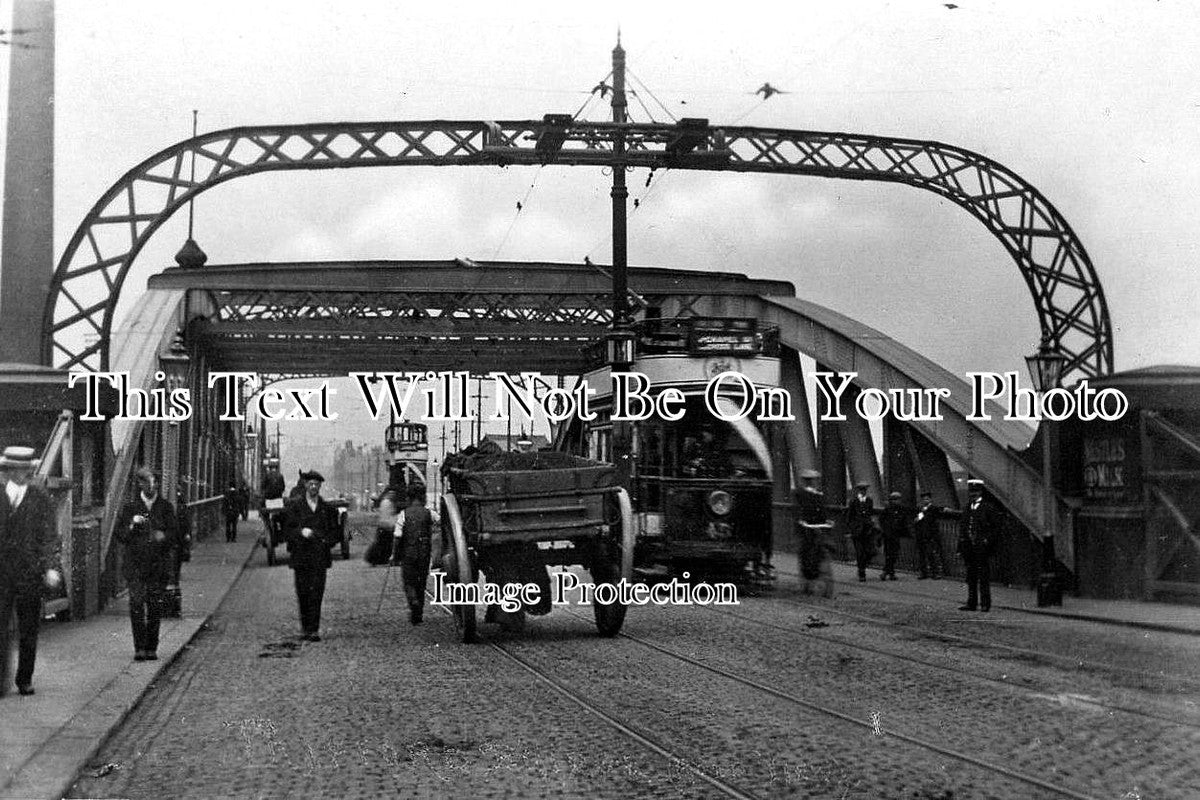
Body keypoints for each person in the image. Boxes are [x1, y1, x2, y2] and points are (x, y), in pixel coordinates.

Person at [0, 446, 61, 697]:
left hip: (30, 573)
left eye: (27, 469)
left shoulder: (40, 498)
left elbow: (49, 536)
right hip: (1, 574)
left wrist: (49, 567)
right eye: (18, 469)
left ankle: (24, 679)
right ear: (8, 471)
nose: (24, 473)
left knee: (28, 630)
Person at [114, 468, 181, 661]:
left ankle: (151, 647)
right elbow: (121, 536)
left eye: (153, 483)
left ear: (157, 485)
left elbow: (174, 535)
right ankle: (139, 647)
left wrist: (163, 536)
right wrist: (132, 524)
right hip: (135, 566)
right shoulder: (130, 508)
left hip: (157, 567)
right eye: (146, 483)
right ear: (141, 485)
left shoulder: (166, 508)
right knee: (136, 604)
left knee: (154, 605)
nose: (150, 487)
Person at [282, 469, 339, 640]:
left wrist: (325, 541)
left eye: (317, 484)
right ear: (305, 485)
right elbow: (287, 531)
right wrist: (301, 531)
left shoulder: (327, 509)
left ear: (320, 487)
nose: (313, 487)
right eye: (311, 484)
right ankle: (305, 628)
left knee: (317, 593)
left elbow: (335, 532)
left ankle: (313, 630)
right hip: (301, 558)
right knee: (303, 592)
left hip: (319, 558)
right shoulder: (295, 507)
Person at [391, 483, 440, 625]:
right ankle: (418, 615)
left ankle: (413, 602)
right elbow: (441, 521)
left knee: (408, 582)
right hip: (424, 554)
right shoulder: (429, 512)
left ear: (409, 497)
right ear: (422, 497)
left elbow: (397, 536)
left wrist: (394, 555)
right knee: (421, 583)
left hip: (408, 554)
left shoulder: (403, 514)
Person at [958, 479, 1000, 612]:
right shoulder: (967, 508)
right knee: (971, 577)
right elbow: (962, 530)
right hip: (969, 548)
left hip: (982, 548)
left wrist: (987, 541)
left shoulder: (988, 508)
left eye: (976, 491)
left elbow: (995, 528)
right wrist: (960, 548)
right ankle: (972, 603)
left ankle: (985, 604)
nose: (973, 494)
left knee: (983, 577)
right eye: (971, 491)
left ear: (981, 492)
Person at [794, 468, 834, 598]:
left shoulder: (819, 495)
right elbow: (797, 510)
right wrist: (800, 521)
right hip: (805, 528)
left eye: (813, 480)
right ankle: (807, 581)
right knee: (806, 552)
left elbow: (822, 512)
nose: (811, 483)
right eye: (809, 480)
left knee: (821, 550)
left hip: (818, 527)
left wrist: (827, 521)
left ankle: (822, 580)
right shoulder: (799, 494)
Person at [164, 485, 192, 619]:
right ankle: (173, 605)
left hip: (175, 543)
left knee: (172, 572)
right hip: (176, 543)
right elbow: (187, 525)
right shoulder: (181, 508)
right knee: (174, 571)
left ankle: (171, 604)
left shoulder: (176, 508)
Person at [366, 482, 402, 566]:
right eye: (392, 494)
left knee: (382, 545)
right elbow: (390, 514)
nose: (393, 495)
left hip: (384, 525)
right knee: (385, 545)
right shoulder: (388, 502)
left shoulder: (385, 501)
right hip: (387, 525)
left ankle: (376, 560)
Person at [846, 482, 876, 582]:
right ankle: (861, 572)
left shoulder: (869, 500)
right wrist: (852, 528)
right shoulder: (853, 501)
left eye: (864, 490)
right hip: (857, 531)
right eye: (862, 490)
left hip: (867, 530)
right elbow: (850, 516)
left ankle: (863, 566)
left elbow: (870, 513)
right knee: (860, 552)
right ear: (859, 491)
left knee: (869, 551)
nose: (863, 491)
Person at [912, 490, 945, 579]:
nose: (925, 501)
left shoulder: (933, 509)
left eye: (927, 499)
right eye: (924, 499)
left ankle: (933, 573)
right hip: (922, 534)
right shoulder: (921, 510)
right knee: (922, 554)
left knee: (930, 554)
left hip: (930, 534)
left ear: (930, 500)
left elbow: (938, 513)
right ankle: (925, 573)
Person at [878, 491, 907, 581]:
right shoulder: (888, 509)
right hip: (889, 534)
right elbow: (882, 520)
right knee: (890, 554)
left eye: (898, 499)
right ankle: (890, 572)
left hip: (895, 534)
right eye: (895, 500)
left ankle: (887, 571)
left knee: (894, 554)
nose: (896, 501)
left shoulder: (901, 509)